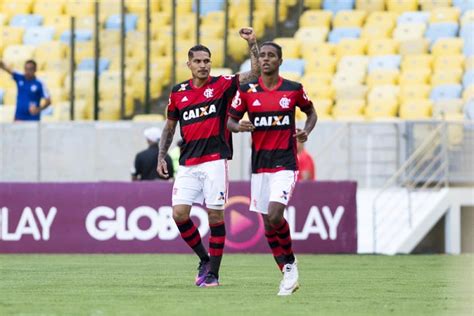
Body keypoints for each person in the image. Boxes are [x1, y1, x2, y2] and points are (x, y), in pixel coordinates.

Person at [156, 27, 260, 288]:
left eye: (207, 61)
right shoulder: (178, 91)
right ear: (188, 64)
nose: (203, 66)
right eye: (198, 61)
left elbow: (255, 74)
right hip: (188, 162)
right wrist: (161, 157)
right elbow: (169, 127)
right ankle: (204, 260)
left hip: (214, 159)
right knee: (179, 214)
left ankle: (214, 273)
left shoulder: (222, 84)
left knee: (215, 218)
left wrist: (252, 44)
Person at [227, 42, 317, 296]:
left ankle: (290, 264)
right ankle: (287, 272)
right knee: (268, 224)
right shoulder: (246, 91)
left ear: (280, 61)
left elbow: (311, 113)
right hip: (259, 166)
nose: (266, 59)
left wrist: (306, 131)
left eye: (271, 56)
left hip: (285, 164)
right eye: (263, 55)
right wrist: (238, 126)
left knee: (276, 214)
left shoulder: (293, 89)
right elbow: (230, 121)